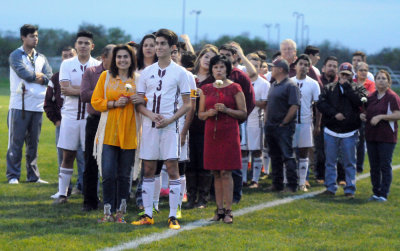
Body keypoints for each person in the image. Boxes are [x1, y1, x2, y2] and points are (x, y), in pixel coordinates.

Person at [132, 29, 191, 230]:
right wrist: (151, 115)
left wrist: (170, 119)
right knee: (148, 169)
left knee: (173, 168)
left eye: (163, 44)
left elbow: (187, 104)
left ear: (172, 47)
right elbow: (139, 104)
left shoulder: (181, 73)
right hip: (149, 128)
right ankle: (147, 213)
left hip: (170, 128)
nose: (158, 47)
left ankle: (173, 215)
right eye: (156, 43)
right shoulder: (146, 73)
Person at [91, 44, 142, 222]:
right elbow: (95, 101)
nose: (122, 60)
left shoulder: (139, 78)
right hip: (109, 131)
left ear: (132, 59)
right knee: (108, 173)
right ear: (114, 59)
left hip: (130, 131)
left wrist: (139, 99)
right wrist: (113, 104)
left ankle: (121, 212)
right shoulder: (106, 76)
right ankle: (107, 212)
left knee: (124, 175)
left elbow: (147, 100)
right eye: (119, 57)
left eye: (126, 57)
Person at [53, 31, 101, 204]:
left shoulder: (98, 65)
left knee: (92, 157)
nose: (83, 46)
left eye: (86, 43)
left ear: (92, 46)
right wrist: (87, 91)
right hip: (70, 116)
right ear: (75, 45)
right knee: (68, 156)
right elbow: (65, 88)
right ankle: (62, 194)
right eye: (80, 42)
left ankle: (91, 194)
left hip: (91, 117)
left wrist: (81, 91)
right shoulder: (67, 64)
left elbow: (99, 93)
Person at [198, 55, 247, 224]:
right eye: (215, 67)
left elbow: (243, 113)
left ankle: (228, 210)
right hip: (212, 133)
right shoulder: (206, 88)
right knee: (216, 172)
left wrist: (226, 110)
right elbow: (200, 114)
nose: (218, 70)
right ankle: (218, 209)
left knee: (226, 172)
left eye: (222, 67)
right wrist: (209, 113)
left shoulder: (235, 87)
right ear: (211, 70)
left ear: (227, 69)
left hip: (229, 132)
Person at [7, 24, 52, 184]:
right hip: (20, 105)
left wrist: (40, 77)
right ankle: (13, 175)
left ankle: (33, 176)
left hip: (38, 105)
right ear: (23, 37)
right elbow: (24, 74)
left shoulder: (41, 57)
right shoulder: (15, 55)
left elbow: (49, 76)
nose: (35, 39)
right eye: (32, 36)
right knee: (16, 142)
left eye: (37, 36)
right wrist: (39, 77)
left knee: (33, 144)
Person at [317, 62, 367, 198]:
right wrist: (334, 113)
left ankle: (350, 189)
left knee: (350, 162)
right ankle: (330, 187)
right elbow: (320, 103)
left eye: (347, 75)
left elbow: (362, 102)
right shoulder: (328, 88)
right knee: (330, 161)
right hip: (331, 129)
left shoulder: (358, 88)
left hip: (350, 131)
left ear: (352, 76)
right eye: (342, 74)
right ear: (338, 74)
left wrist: (348, 88)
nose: (344, 77)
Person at [44, 46, 85, 197]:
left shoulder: (86, 72)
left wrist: (75, 90)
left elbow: (90, 91)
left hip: (83, 120)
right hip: (63, 123)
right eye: (64, 55)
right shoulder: (55, 77)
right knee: (64, 157)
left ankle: (82, 187)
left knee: (83, 158)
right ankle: (64, 190)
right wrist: (56, 121)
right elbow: (48, 102)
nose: (67, 58)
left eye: (70, 55)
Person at [219, 43, 256, 203]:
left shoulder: (239, 76)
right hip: (215, 123)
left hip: (233, 123)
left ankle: (235, 195)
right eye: (221, 54)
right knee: (216, 160)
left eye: (227, 55)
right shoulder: (214, 73)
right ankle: (217, 193)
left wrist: (240, 116)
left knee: (233, 160)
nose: (224, 57)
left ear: (234, 57)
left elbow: (250, 100)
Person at [80, 44, 115, 211]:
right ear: (104, 57)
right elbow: (84, 95)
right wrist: (106, 96)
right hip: (95, 121)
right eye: (114, 57)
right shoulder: (91, 72)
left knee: (113, 162)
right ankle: (90, 201)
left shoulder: (121, 76)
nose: (118, 61)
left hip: (114, 121)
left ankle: (112, 201)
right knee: (91, 162)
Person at [186, 46, 219, 209]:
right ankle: (191, 197)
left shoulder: (214, 81)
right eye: (205, 56)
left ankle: (203, 198)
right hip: (188, 125)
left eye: (212, 58)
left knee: (204, 163)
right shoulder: (189, 76)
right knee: (190, 162)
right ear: (199, 58)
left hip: (206, 125)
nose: (207, 60)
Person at [360, 70, 400, 202]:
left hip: (387, 137)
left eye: (384, 78)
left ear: (389, 82)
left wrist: (381, 117)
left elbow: (397, 114)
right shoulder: (370, 97)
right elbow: (366, 112)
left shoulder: (392, 97)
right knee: (374, 166)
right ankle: (376, 192)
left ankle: (383, 194)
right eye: (378, 78)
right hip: (371, 136)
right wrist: (363, 116)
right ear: (375, 81)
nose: (381, 80)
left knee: (385, 165)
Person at [265, 58, 300, 192]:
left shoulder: (290, 85)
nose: (271, 69)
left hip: (283, 127)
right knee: (275, 156)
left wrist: (284, 122)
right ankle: (277, 184)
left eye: (273, 67)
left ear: (280, 69)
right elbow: (269, 105)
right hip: (271, 126)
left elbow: (294, 106)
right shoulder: (274, 85)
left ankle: (292, 185)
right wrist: (267, 122)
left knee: (287, 155)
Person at [290, 54, 320, 191]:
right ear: (295, 66)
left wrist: (317, 124)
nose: (303, 67)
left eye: (306, 65)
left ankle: (302, 182)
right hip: (290, 124)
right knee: (289, 153)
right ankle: (288, 181)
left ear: (309, 68)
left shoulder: (313, 84)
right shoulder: (288, 82)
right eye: (301, 64)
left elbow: (318, 107)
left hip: (306, 123)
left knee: (303, 153)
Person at [240, 53, 270, 188]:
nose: (252, 68)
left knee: (257, 150)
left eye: (256, 65)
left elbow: (265, 103)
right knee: (243, 151)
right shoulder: (241, 81)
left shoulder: (264, 83)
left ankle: (255, 180)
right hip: (242, 120)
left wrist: (249, 101)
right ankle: (244, 179)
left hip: (256, 121)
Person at [354, 62, 376, 174]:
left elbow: (369, 97)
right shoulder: (352, 82)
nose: (363, 72)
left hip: (364, 116)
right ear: (356, 71)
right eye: (361, 70)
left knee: (361, 141)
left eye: (365, 70)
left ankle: (359, 166)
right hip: (352, 115)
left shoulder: (371, 83)